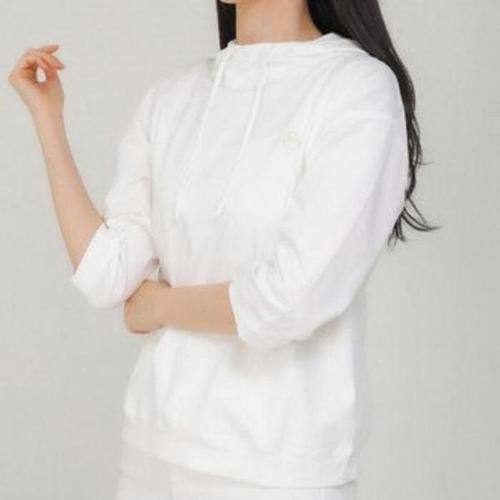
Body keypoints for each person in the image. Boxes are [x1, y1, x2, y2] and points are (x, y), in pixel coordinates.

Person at [8, 0, 437, 498]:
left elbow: (290, 300)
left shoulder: (356, 89)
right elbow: (108, 274)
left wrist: (159, 306)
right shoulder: (172, 99)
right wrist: (48, 121)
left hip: (280, 468)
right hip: (152, 452)